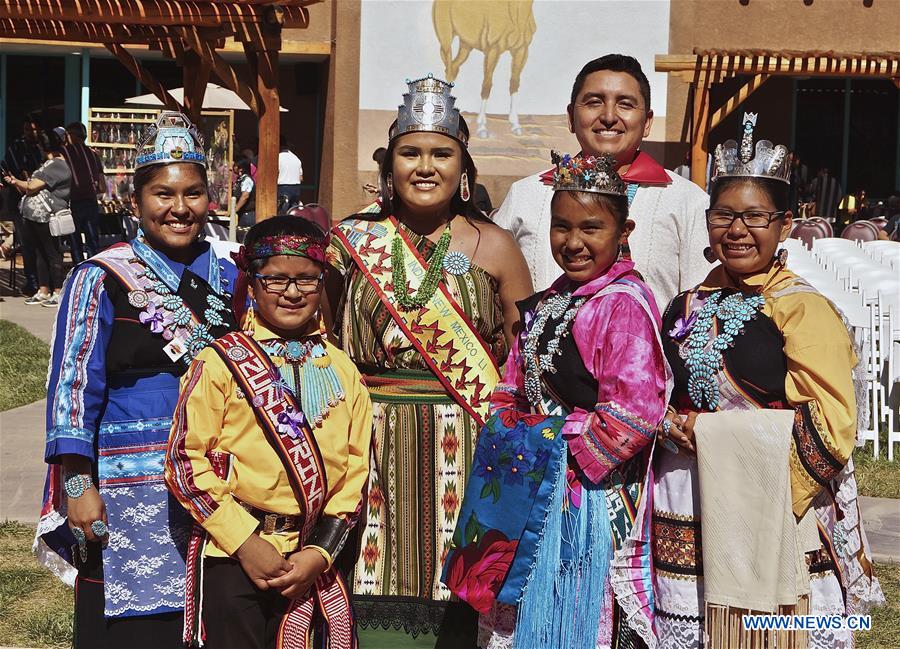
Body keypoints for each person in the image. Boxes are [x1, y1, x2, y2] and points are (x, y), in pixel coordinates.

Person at [652, 116, 883, 648]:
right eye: (723, 215)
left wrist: (716, 440)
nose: (737, 230)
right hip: (685, 504)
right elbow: (658, 392)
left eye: (755, 216)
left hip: (774, 509)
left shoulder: (802, 308)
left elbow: (831, 426)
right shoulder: (684, 305)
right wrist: (667, 423)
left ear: (784, 225)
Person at [325, 75, 533, 646]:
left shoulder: (496, 246)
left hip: (465, 445)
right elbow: (321, 342)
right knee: (366, 583)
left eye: (441, 154)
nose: (424, 166)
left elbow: (525, 361)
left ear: (463, 166)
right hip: (366, 441)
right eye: (409, 153)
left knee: (460, 596)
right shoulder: (350, 240)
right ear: (388, 164)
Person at [443, 152, 669, 649]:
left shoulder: (623, 306)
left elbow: (633, 416)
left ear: (623, 230)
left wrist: (546, 440)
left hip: (589, 494)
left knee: (573, 616)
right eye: (561, 226)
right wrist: (509, 426)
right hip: (533, 477)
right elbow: (511, 383)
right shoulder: (551, 299)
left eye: (591, 228)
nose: (573, 242)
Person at [34, 111, 239, 649]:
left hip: (221, 481)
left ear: (209, 198)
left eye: (193, 193)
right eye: (163, 194)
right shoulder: (100, 278)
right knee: (133, 630)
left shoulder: (231, 275)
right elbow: (72, 390)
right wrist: (77, 486)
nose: (179, 208)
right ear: (135, 200)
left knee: (215, 614)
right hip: (127, 486)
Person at [166, 216, 372, 649]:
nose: (292, 292)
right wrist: (245, 542)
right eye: (276, 279)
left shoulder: (343, 369)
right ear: (253, 283)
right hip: (233, 555)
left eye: (307, 279)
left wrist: (319, 553)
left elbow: (355, 472)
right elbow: (185, 461)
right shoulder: (219, 363)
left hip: (310, 557)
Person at [494, 54, 710, 309]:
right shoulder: (525, 195)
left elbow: (700, 306)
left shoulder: (687, 201)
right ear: (571, 117)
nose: (608, 116)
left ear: (647, 122)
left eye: (625, 104)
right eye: (594, 102)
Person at [3, 127, 70, 306]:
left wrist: (16, 181)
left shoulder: (57, 165)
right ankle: (43, 290)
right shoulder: (49, 163)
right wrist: (15, 182)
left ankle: (57, 291)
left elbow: (33, 186)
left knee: (52, 253)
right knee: (40, 253)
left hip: (49, 216)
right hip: (37, 217)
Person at [3, 116, 45, 295]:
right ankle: (32, 282)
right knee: (27, 243)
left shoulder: (42, 149)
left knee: (41, 244)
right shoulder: (16, 148)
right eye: (27, 129)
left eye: (33, 129)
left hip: (42, 202)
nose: (30, 133)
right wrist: (26, 185)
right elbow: (14, 172)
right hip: (20, 201)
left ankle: (44, 282)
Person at [62, 122, 105, 263]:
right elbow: (102, 186)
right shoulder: (93, 155)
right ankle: (94, 269)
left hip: (73, 203)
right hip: (91, 202)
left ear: (72, 135)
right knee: (93, 241)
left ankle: (78, 269)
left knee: (75, 243)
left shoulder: (64, 153)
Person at [277, 137, 303, 211]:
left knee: (282, 212)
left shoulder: (278, 158)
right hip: (296, 188)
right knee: (294, 211)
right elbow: (301, 178)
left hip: (283, 188)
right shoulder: (296, 158)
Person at [233, 157, 256, 233]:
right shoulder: (240, 180)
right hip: (241, 215)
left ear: (241, 168)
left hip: (247, 216)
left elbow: (245, 196)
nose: (233, 167)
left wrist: (234, 210)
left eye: (235, 166)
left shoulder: (247, 180)